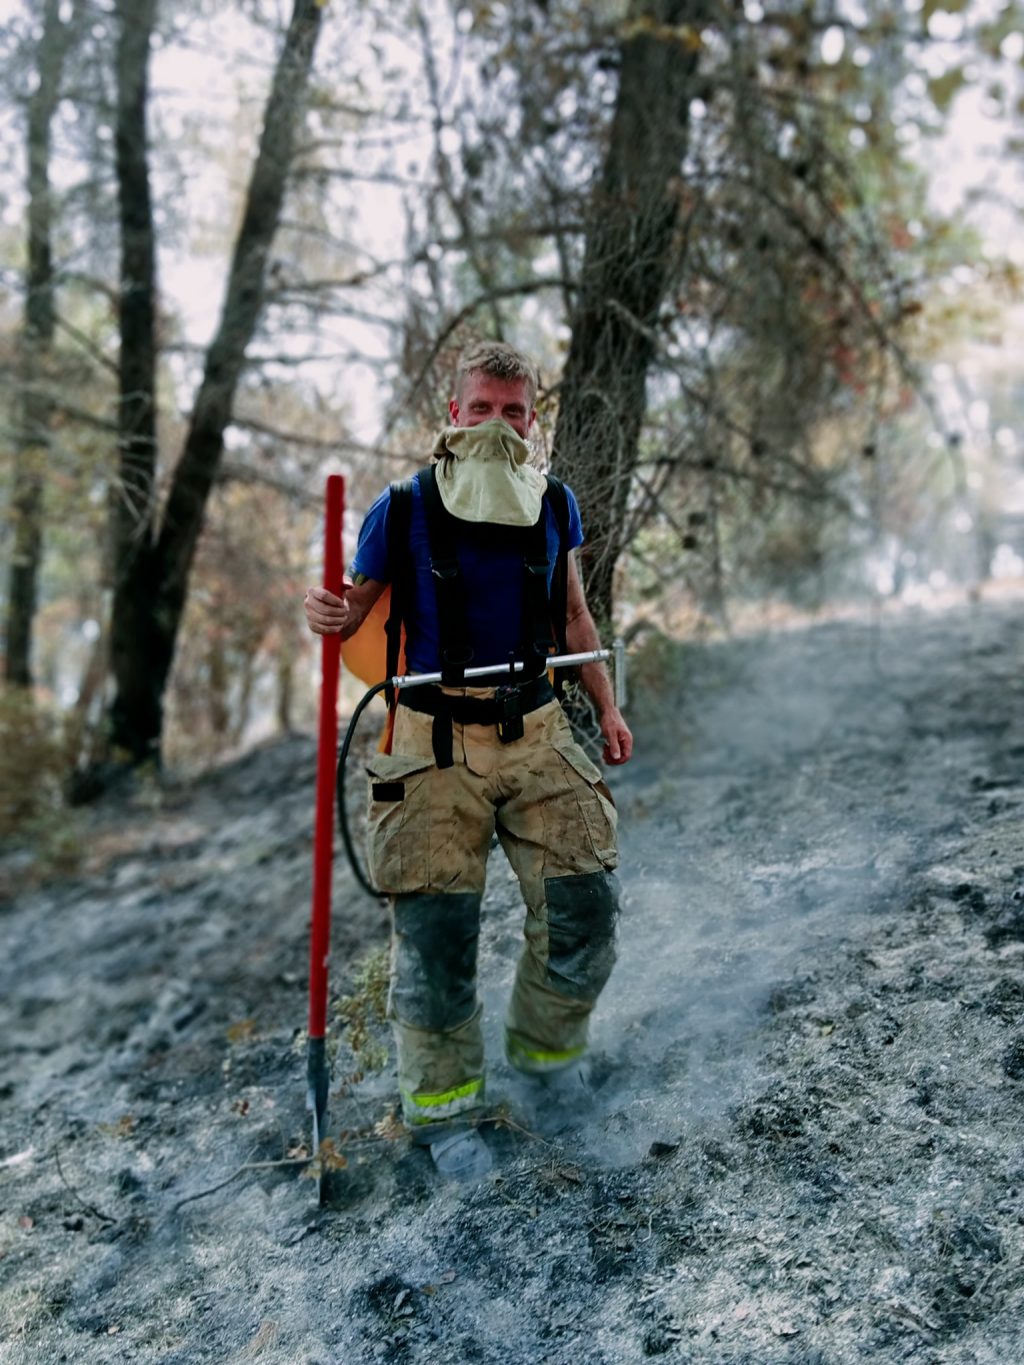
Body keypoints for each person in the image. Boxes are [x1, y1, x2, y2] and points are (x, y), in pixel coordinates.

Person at [304, 341, 632, 1180]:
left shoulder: (554, 503)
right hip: (429, 740)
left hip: (537, 728)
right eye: (480, 408)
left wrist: (606, 703)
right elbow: (354, 616)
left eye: (513, 410)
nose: (495, 423)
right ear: (453, 415)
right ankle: (447, 1115)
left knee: (583, 907)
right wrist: (327, 610)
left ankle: (548, 1065)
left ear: (533, 419)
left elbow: (575, 618)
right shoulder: (403, 506)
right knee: (438, 938)